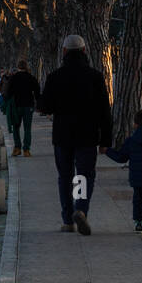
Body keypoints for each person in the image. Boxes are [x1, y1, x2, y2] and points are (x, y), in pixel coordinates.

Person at [35, 34, 113, 235]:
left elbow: (45, 107)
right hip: (87, 135)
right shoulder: (95, 77)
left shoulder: (55, 76)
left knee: (65, 176)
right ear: (85, 51)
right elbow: (105, 111)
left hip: (63, 136)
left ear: (64, 52)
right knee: (83, 176)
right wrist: (105, 140)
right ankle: (81, 209)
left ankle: (67, 219)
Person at [5, 60, 41, 157]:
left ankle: (17, 148)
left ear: (18, 67)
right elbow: (37, 91)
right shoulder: (31, 78)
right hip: (28, 106)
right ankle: (26, 150)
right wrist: (39, 104)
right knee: (27, 128)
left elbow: (7, 92)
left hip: (16, 106)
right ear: (26, 67)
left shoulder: (13, 78)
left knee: (16, 127)